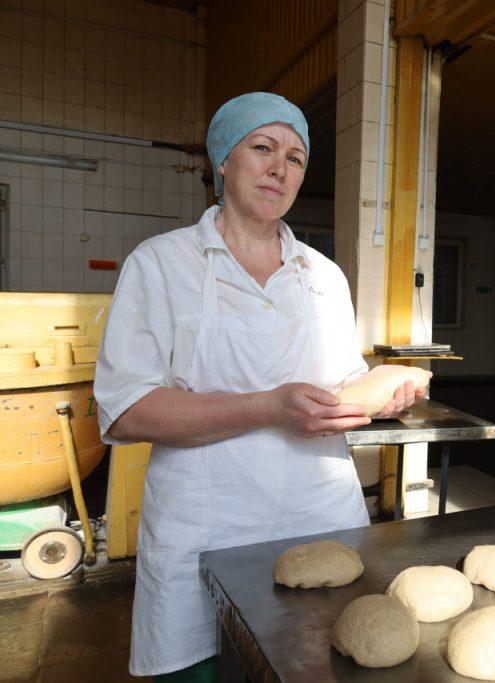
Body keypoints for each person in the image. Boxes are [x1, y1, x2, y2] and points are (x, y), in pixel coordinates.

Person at [94, 92, 426, 681]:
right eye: (263, 147)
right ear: (223, 160)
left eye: (296, 157)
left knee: (317, 663)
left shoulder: (323, 276)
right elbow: (126, 411)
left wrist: (377, 392)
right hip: (206, 527)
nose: (280, 167)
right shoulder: (161, 264)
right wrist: (270, 407)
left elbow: (339, 382)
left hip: (319, 514)